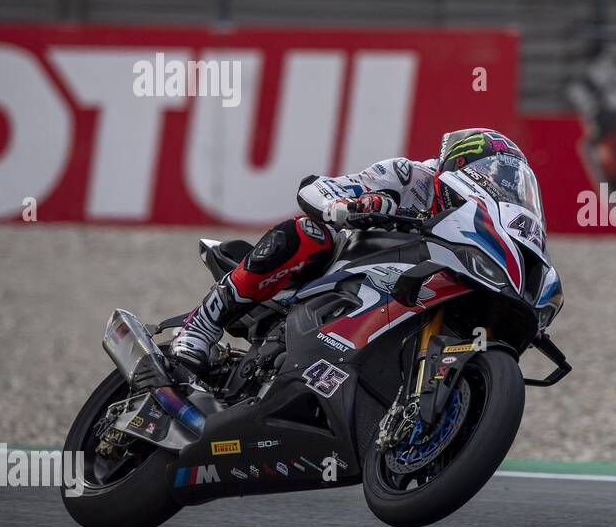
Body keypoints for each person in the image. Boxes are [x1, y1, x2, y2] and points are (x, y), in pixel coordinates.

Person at [169, 127, 524, 377]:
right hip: (344, 270)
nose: (496, 186)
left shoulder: (482, 221)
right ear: (458, 165)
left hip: (410, 293)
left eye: (508, 182)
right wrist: (346, 206)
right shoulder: (409, 175)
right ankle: (200, 327)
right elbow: (315, 189)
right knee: (306, 232)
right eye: (491, 176)